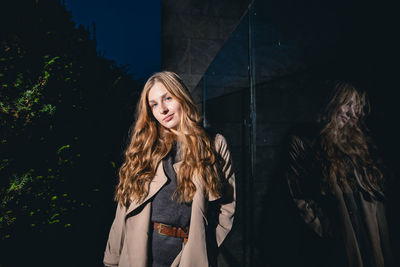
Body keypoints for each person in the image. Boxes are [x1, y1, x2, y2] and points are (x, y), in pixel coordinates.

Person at [103, 71, 236, 267]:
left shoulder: (214, 144)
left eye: (168, 98)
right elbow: (123, 210)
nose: (162, 109)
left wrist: (205, 248)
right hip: (142, 251)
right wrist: (111, 260)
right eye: (154, 104)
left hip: (189, 254)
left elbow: (227, 206)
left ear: (181, 96)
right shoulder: (145, 147)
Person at [286, 82, 394, 267]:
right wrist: (328, 230)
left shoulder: (360, 141)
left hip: (373, 238)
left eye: (356, 105)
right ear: (332, 103)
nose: (352, 112)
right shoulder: (304, 143)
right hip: (341, 243)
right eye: (347, 104)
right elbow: (299, 195)